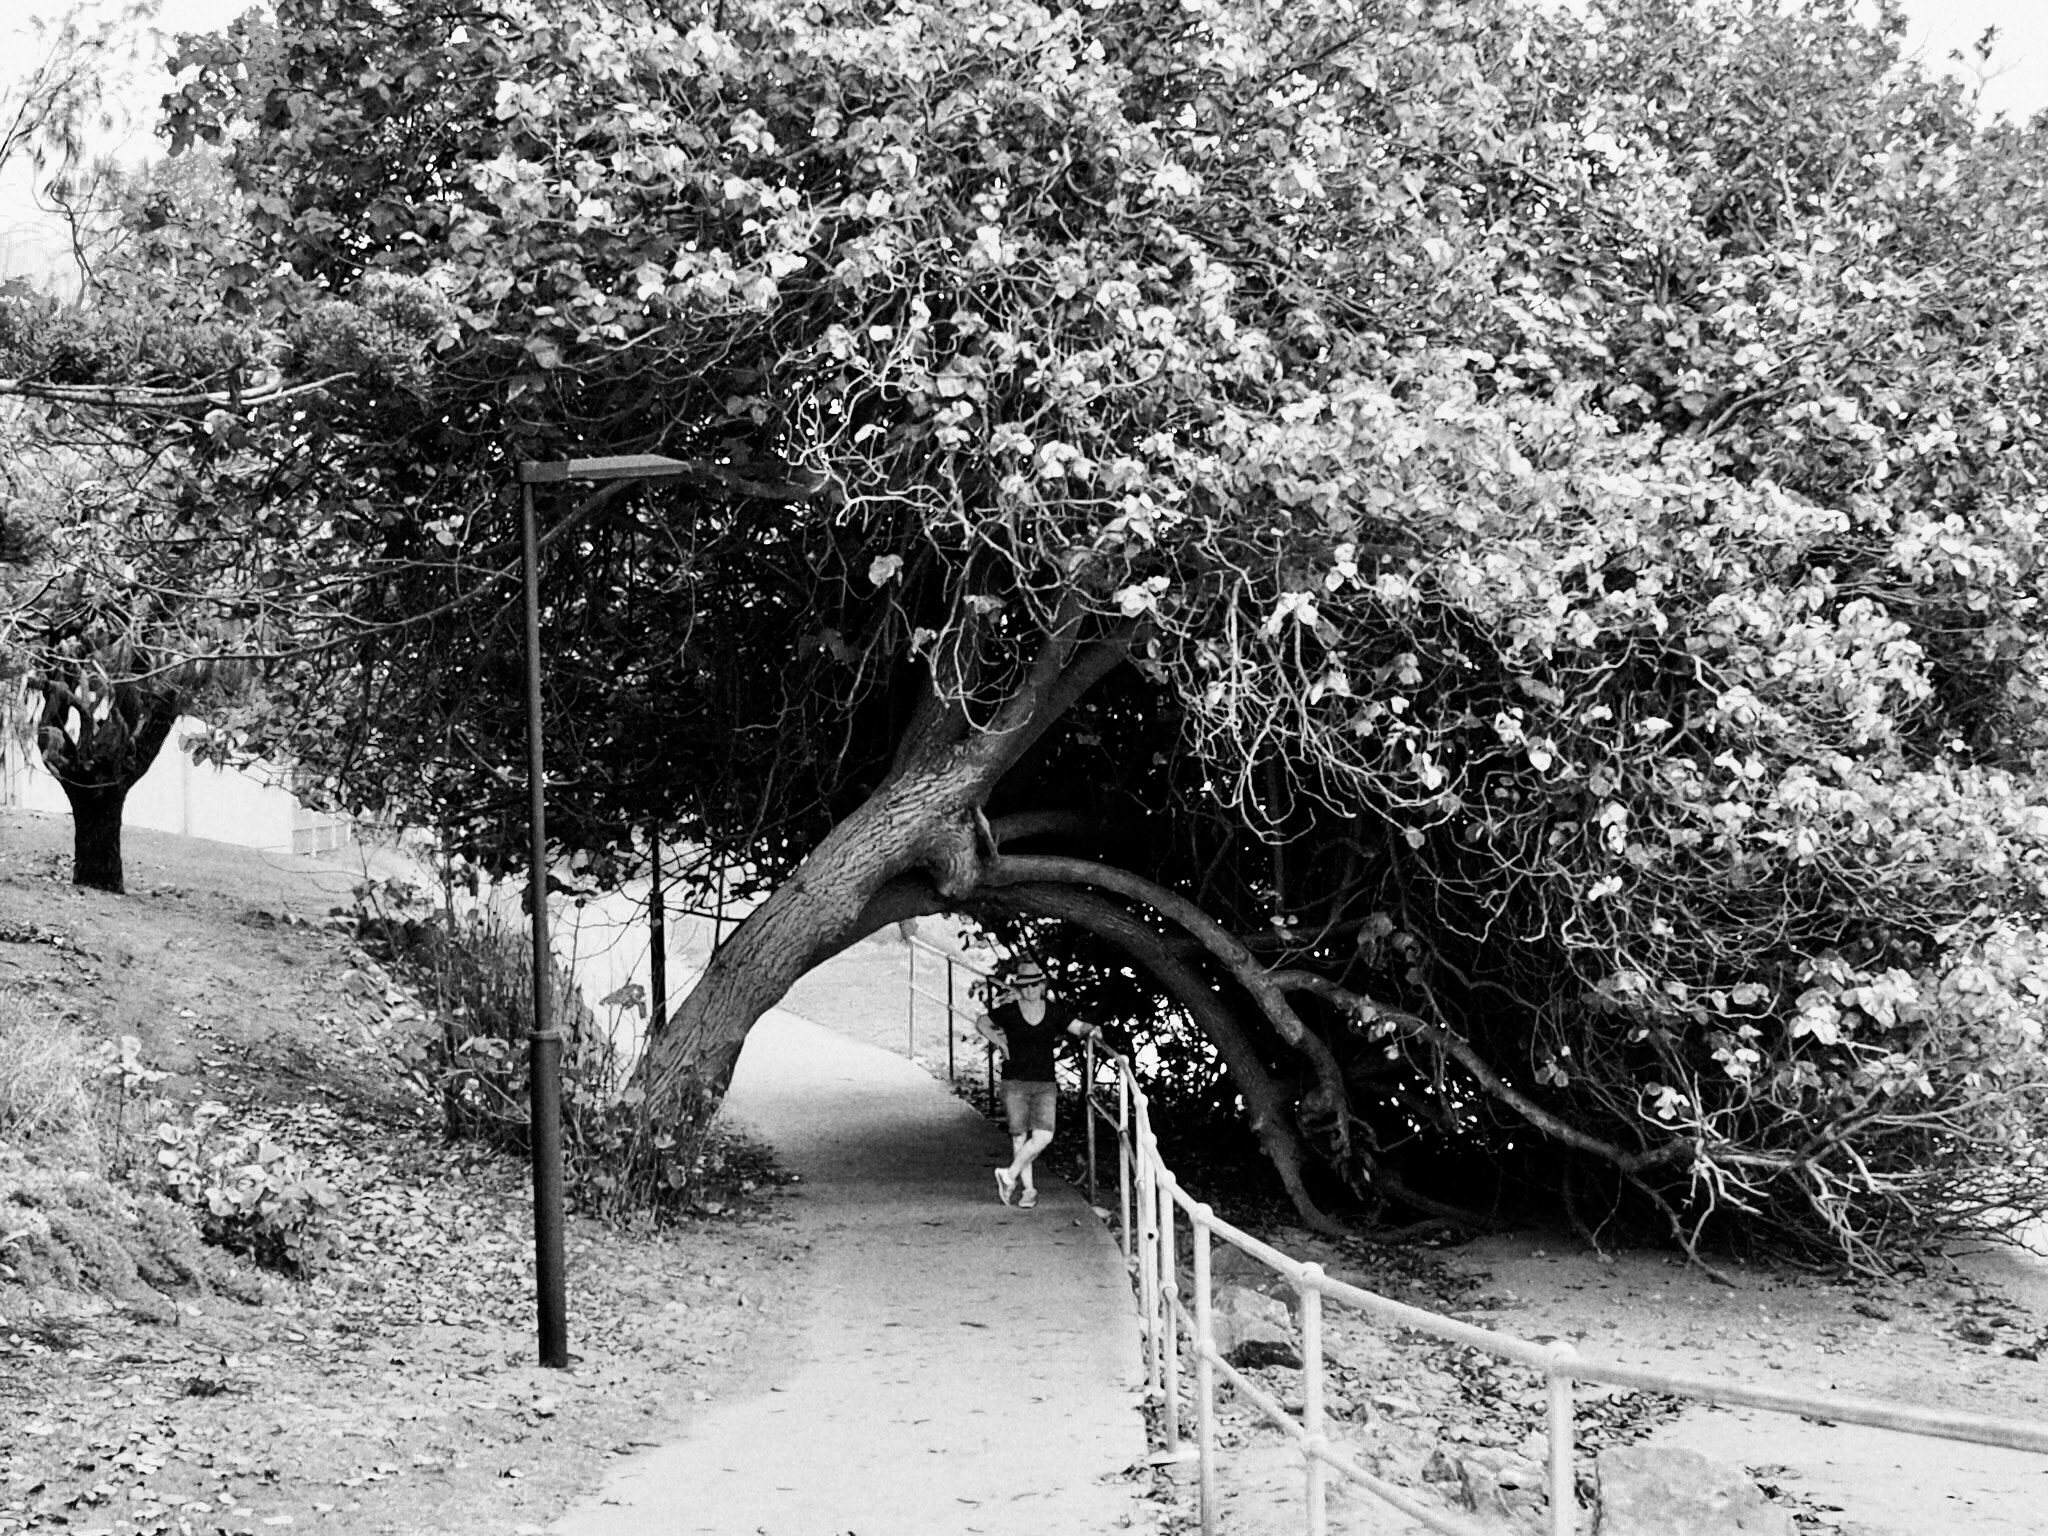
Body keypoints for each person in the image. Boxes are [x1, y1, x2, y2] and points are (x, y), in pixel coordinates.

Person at [974, 960, 1100, 1209]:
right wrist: (998, 1042)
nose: (1030, 990)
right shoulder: (1009, 1011)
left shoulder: (1053, 1012)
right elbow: (982, 1022)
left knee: (1043, 1136)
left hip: (1044, 1082)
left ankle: (1008, 1176)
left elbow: (1077, 1027)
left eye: (1034, 985)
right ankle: (1028, 1191)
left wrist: (1094, 1030)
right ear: (1019, 988)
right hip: (1015, 1081)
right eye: (1025, 986)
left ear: (1042, 985)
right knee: (1020, 1136)